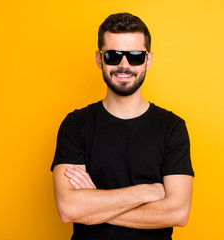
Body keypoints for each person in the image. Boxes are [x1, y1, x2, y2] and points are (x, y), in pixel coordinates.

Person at [50, 12, 194, 240]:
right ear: (99, 59)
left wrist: (95, 203)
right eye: (113, 55)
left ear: (148, 59)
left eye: (135, 56)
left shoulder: (172, 128)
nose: (124, 65)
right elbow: (69, 208)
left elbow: (178, 212)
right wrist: (146, 192)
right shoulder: (76, 125)